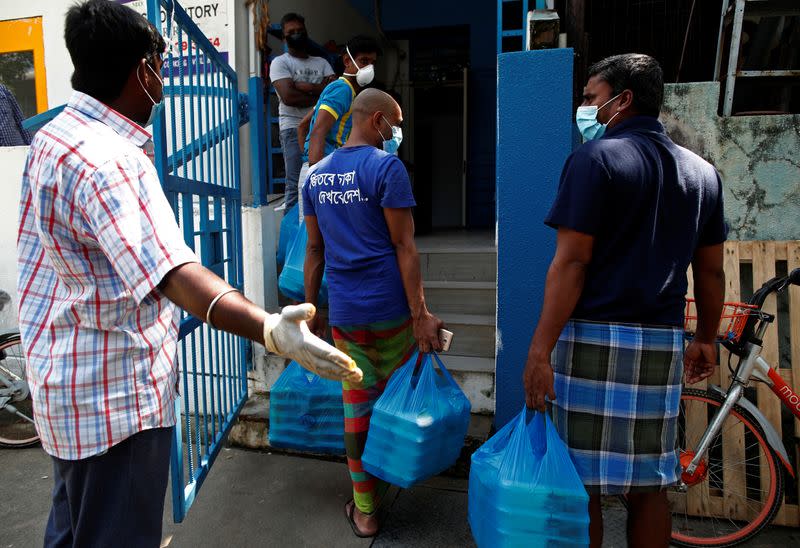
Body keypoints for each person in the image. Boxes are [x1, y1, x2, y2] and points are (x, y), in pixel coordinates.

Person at [16, 2, 359, 547]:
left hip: (66, 393)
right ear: (142, 72)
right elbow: (173, 273)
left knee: (73, 530)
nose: (164, 81)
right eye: (160, 65)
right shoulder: (110, 160)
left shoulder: (53, 139)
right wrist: (270, 329)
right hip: (116, 408)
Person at [522, 54, 727, 548]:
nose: (585, 108)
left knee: (581, 484)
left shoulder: (592, 161)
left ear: (622, 100)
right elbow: (712, 269)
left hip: (591, 335)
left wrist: (538, 351)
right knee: (650, 487)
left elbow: (571, 264)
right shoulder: (703, 174)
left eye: (592, 98)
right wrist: (705, 339)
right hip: (661, 342)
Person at [303, 89, 444, 538]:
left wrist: (311, 311)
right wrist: (420, 313)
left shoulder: (315, 175)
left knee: (357, 410)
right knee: (394, 402)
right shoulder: (387, 168)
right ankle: (392, 475)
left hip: (346, 316)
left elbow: (313, 249)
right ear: (378, 120)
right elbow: (405, 246)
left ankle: (365, 510)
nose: (396, 132)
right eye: (395, 123)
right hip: (391, 314)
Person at [269, 13, 334, 209]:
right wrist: (319, 91)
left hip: (321, 128)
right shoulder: (280, 62)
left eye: (300, 31)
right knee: (295, 183)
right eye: (291, 32)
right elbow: (289, 98)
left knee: (324, 179)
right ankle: (292, 235)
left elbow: (333, 92)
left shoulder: (321, 62)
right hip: (292, 128)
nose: (297, 35)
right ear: (284, 37)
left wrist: (305, 86)